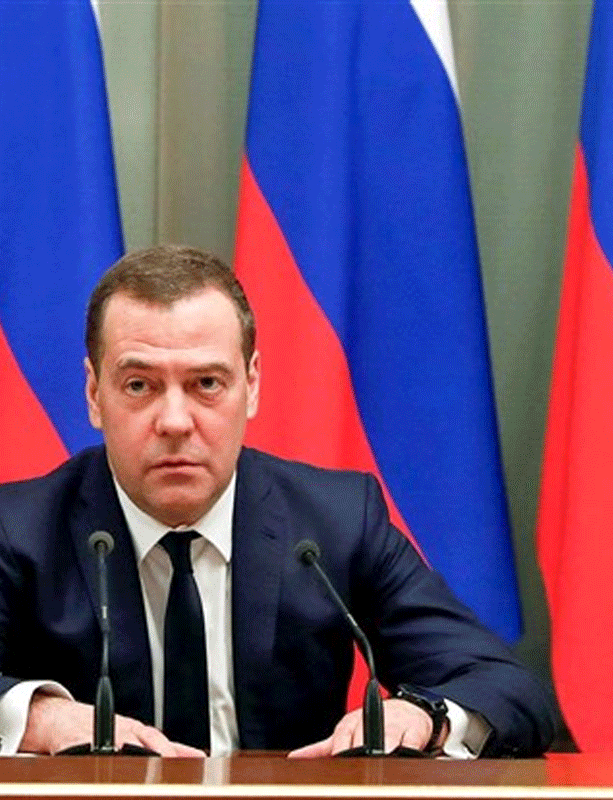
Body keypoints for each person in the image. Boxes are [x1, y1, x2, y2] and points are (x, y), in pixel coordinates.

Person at [0, 244, 556, 757]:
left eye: (206, 383)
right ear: (94, 394)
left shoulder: (335, 523)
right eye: (139, 385)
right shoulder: (20, 530)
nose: (174, 421)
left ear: (252, 385)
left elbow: (505, 686)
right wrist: (38, 717)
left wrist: (424, 717)